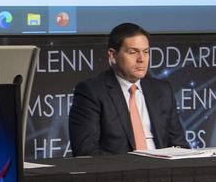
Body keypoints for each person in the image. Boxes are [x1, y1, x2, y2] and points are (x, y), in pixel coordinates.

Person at [68, 22, 188, 155]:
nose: (142, 59)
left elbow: (179, 145)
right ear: (113, 55)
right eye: (133, 52)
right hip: (120, 173)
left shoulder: (162, 90)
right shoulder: (91, 92)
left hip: (161, 171)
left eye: (146, 52)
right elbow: (86, 152)